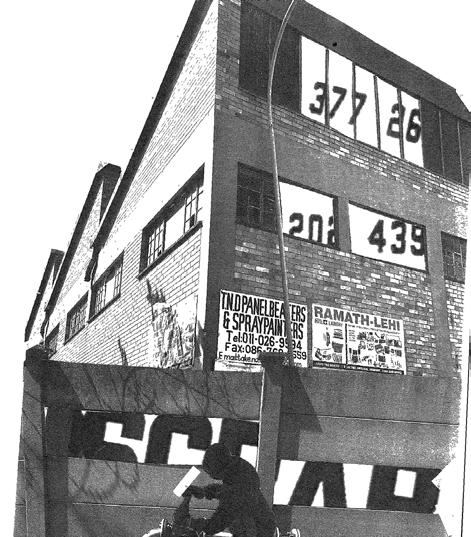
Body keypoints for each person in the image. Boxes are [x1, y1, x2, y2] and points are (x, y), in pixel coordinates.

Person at [178, 443, 276, 537]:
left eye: (210, 472)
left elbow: (218, 522)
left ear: (217, 468)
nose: (210, 476)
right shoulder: (237, 467)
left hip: (258, 531)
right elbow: (227, 490)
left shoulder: (237, 488)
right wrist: (203, 491)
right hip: (262, 523)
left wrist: (190, 523)